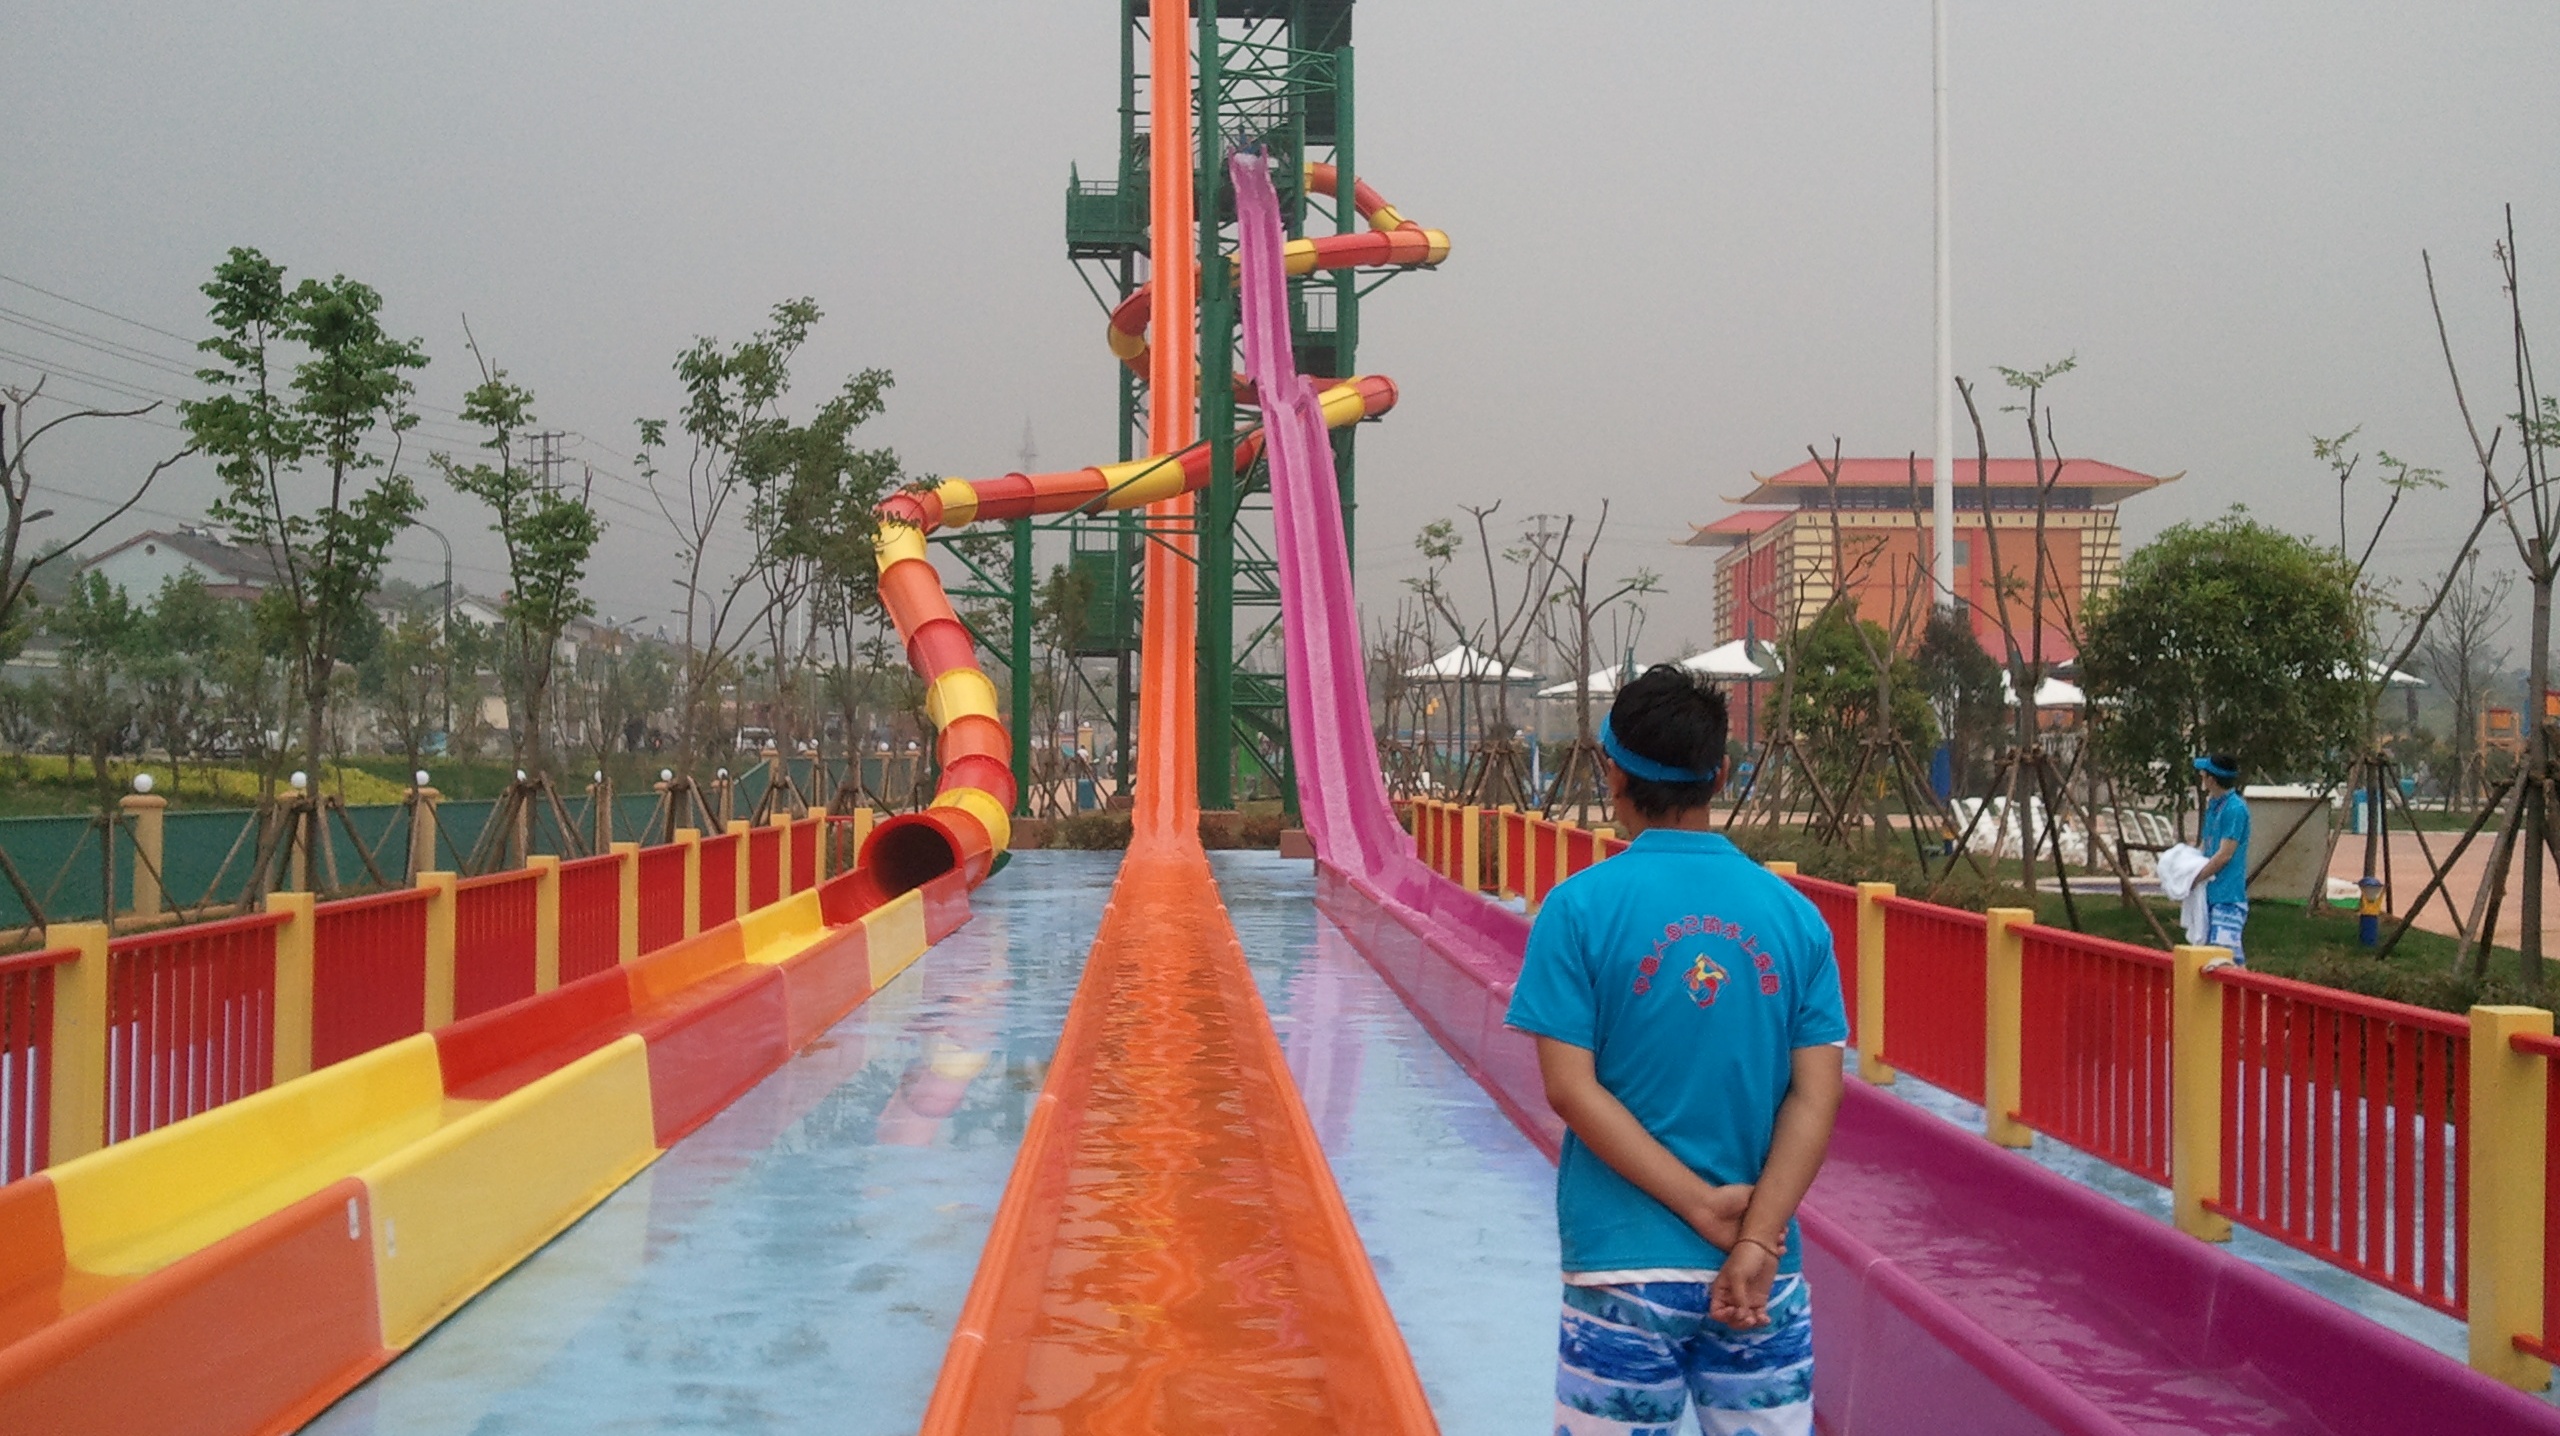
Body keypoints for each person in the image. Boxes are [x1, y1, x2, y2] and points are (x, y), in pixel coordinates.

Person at [1505, 665, 1847, 1436]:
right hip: (1762, 1272)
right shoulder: (1795, 918)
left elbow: (1570, 1089)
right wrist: (1758, 1233)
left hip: (1624, 1266)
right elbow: (1816, 1094)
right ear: (1722, 773)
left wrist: (1698, 1206)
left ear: (1611, 771)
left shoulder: (1578, 909)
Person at [2193, 753, 2251, 965]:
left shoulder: (2234, 809)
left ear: (2211, 779)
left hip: (2228, 897)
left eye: (2204, 773)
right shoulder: (2215, 806)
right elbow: (2206, 845)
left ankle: (2242, 998)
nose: (2201, 776)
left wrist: (2195, 878)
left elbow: (2225, 855)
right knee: (2208, 958)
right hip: (2210, 895)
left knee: (2225, 959)